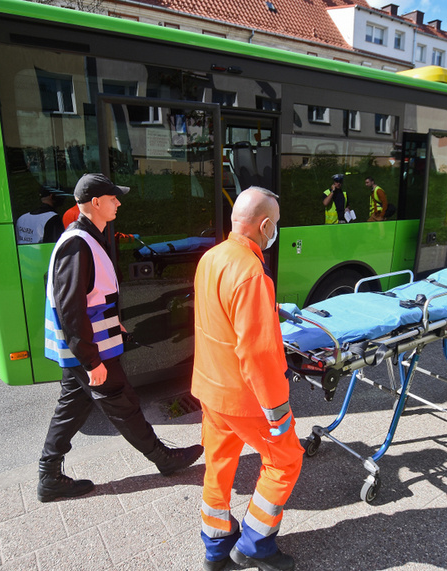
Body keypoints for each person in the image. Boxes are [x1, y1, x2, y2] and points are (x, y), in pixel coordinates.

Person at [39, 173, 203, 502]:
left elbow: (91, 298)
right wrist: (91, 360)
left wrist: (115, 323)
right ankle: (164, 460)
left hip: (88, 348)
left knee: (71, 408)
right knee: (124, 405)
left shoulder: (85, 238)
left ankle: (49, 476)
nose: (118, 203)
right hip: (90, 352)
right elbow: (71, 311)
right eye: (113, 198)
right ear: (95, 203)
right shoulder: (77, 244)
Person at [193, 187, 304, 571]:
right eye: (275, 226)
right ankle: (256, 543)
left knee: (219, 464)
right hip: (244, 397)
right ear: (265, 225)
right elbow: (258, 353)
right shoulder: (251, 272)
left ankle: (216, 546)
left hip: (210, 387)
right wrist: (277, 410)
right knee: (286, 459)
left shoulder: (211, 258)